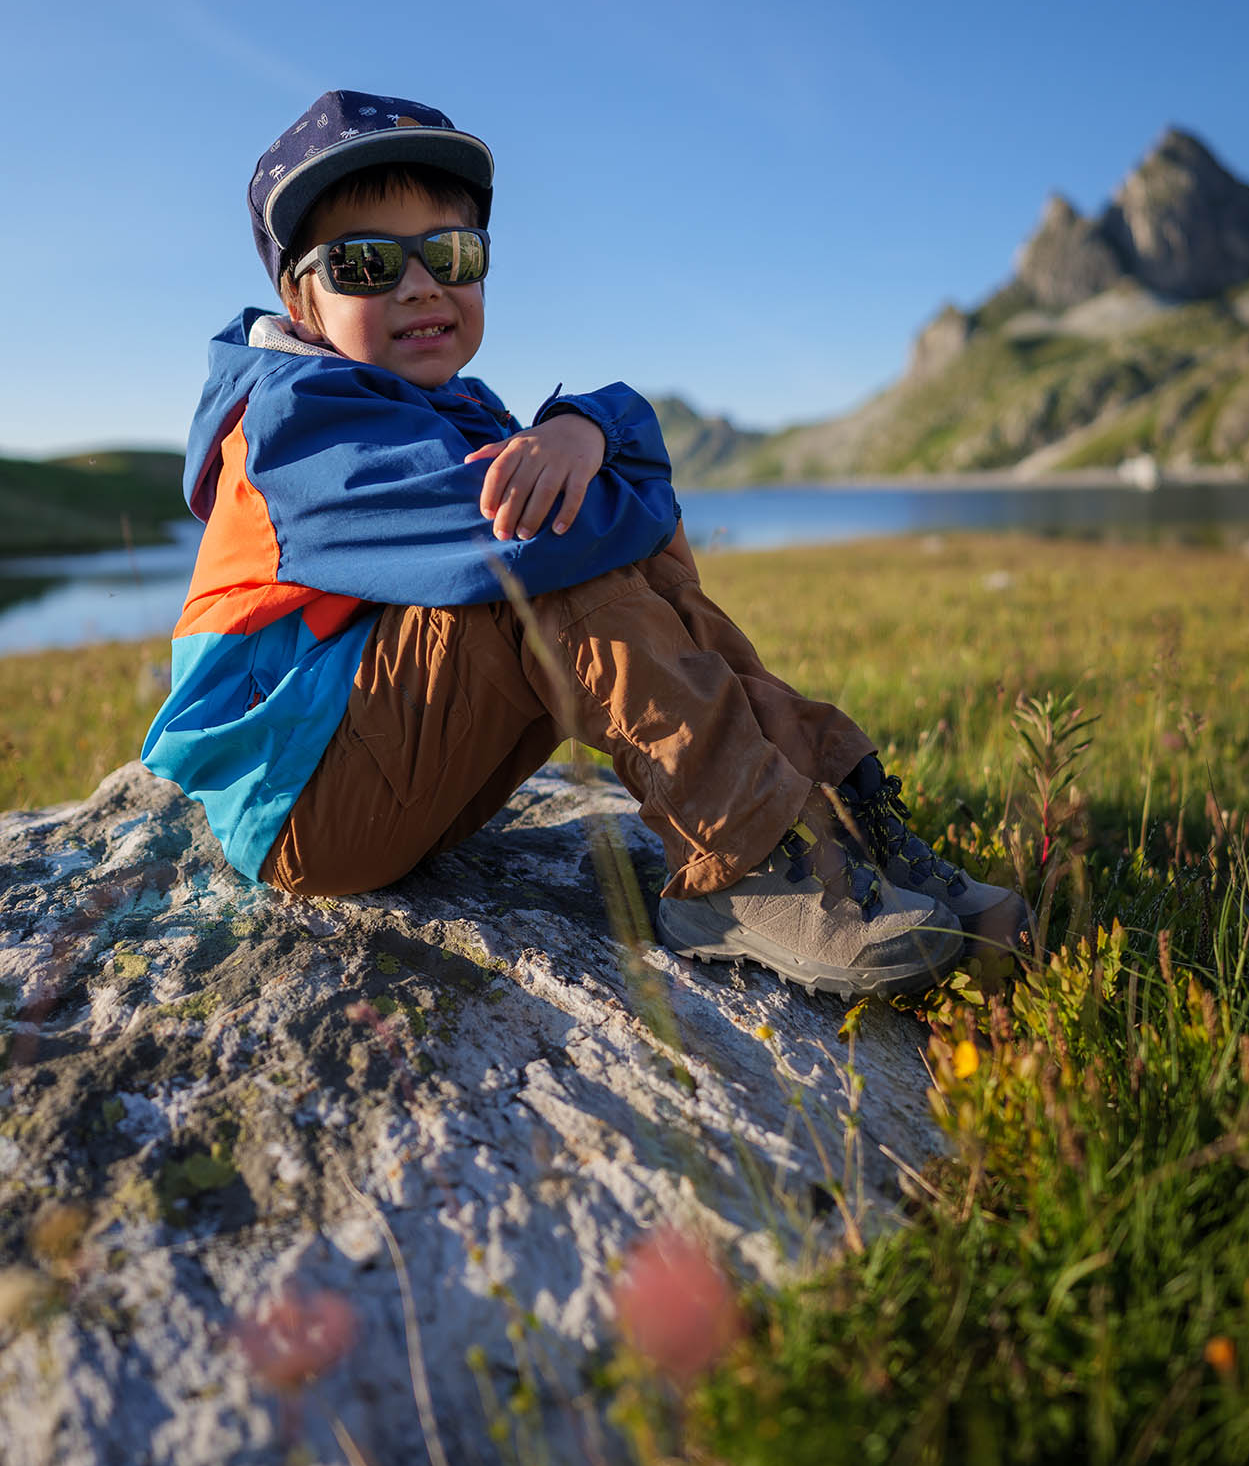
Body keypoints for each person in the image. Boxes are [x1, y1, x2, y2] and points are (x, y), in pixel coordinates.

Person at [143, 90, 1027, 998]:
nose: (418, 284)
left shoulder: (456, 408)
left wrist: (585, 428)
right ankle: (741, 868)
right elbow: (530, 543)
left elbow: (620, 503)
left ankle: (838, 827)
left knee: (583, 534)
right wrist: (616, 447)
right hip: (302, 806)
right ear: (301, 297)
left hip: (394, 773)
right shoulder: (297, 426)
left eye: (450, 253)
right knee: (550, 547)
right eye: (365, 264)